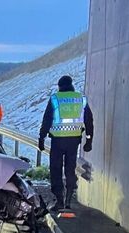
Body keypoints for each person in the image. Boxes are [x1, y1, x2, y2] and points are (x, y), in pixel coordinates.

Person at [38, 75, 94, 211]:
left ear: (60, 86)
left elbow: (47, 120)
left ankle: (59, 200)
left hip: (58, 141)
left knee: (56, 169)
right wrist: (89, 140)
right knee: (70, 169)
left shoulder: (55, 99)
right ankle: (68, 199)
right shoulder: (81, 99)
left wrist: (42, 137)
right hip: (74, 141)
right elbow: (89, 121)